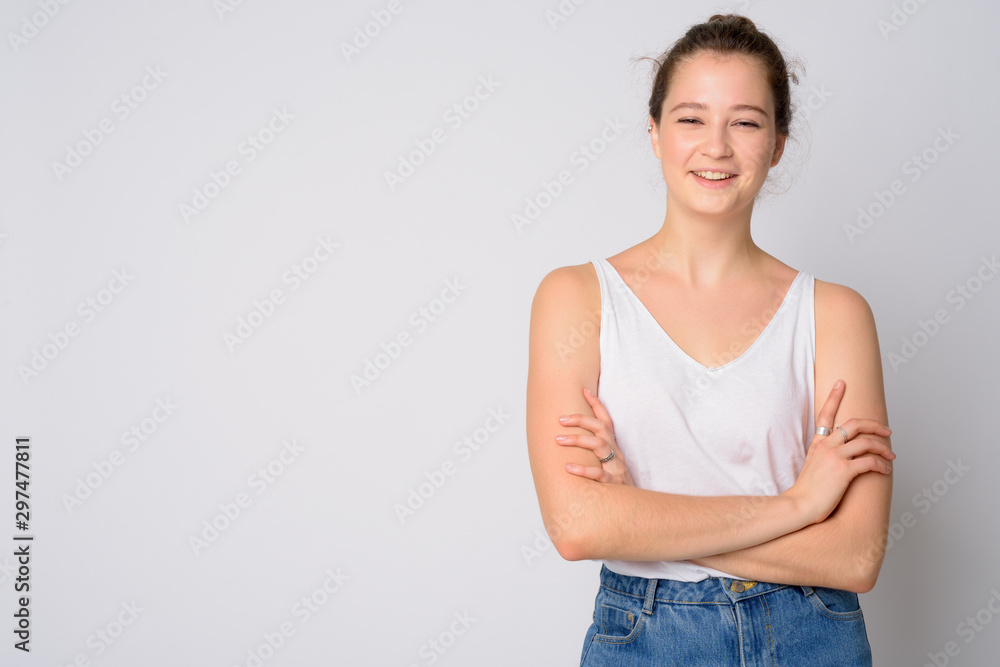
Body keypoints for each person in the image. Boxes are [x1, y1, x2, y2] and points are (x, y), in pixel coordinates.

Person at [525, 14, 895, 666]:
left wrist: (639, 514)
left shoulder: (836, 314)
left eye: (746, 121)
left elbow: (856, 556)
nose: (716, 146)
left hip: (812, 632)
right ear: (655, 131)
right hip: (645, 634)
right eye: (692, 118)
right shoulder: (576, 297)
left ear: (779, 142)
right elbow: (577, 525)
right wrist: (800, 504)